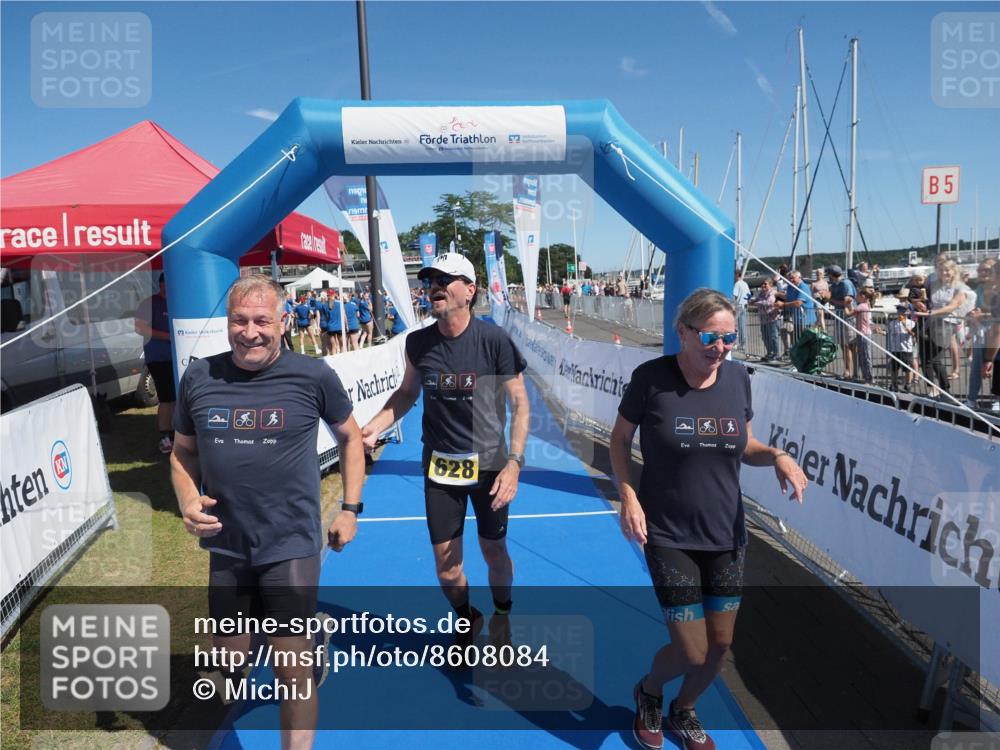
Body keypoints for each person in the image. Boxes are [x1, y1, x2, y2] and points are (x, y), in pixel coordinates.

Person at [170, 275, 365, 750]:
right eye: (240, 320)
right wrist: (188, 500)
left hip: (290, 542)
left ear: (283, 321)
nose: (250, 332)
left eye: (262, 320)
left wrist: (349, 508)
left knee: (290, 671)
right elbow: (182, 452)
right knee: (231, 665)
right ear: (227, 323)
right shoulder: (199, 376)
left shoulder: (312, 375)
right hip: (228, 545)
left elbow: (351, 438)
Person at [610, 288, 807, 750]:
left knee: (720, 646)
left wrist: (777, 455)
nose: (720, 348)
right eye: (710, 337)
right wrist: (628, 496)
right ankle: (650, 691)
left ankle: (684, 709)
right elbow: (619, 440)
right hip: (668, 533)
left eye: (729, 338)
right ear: (683, 332)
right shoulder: (650, 378)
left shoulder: (737, 378)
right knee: (692, 650)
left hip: (725, 533)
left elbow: (746, 445)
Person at [361, 253, 530, 650]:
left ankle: (502, 614)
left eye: (444, 279)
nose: (434, 287)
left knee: (494, 550)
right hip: (440, 468)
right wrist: (375, 425)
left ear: (469, 290)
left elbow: (521, 404)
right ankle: (467, 616)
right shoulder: (418, 343)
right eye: (430, 280)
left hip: (490, 467)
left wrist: (514, 463)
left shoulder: (493, 341)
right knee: (447, 570)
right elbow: (407, 393)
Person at [134, 272, 176, 454]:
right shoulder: (149, 303)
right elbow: (140, 328)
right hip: (158, 358)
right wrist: (169, 336)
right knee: (166, 398)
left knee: (177, 397)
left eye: (170, 287)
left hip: (179, 358)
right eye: (164, 286)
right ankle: (164, 436)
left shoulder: (178, 301)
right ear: (159, 285)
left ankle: (175, 433)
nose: (167, 290)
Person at [965, 260, 997, 408]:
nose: (982, 273)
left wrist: (982, 314)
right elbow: (973, 309)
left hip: (996, 332)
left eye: (986, 270)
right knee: (976, 367)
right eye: (980, 270)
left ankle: (997, 399)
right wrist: (971, 313)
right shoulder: (978, 289)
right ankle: (971, 399)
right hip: (981, 332)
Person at [827, 265, 857, 379]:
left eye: (829, 274)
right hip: (839, 317)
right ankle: (848, 371)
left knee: (850, 345)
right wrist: (827, 298)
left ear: (831, 275)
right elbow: (834, 302)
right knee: (843, 345)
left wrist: (831, 300)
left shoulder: (845, 283)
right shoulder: (834, 285)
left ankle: (853, 372)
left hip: (848, 319)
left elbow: (847, 302)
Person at [886, 296, 917, 392]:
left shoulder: (911, 323)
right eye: (899, 310)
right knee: (894, 368)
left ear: (907, 312)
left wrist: (905, 326)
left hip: (906, 349)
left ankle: (908, 384)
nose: (900, 312)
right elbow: (888, 333)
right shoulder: (892, 323)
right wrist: (880, 332)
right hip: (895, 349)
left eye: (902, 310)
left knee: (907, 368)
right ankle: (894, 384)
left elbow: (913, 334)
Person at [846, 287, 876, 384]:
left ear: (863, 296)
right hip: (862, 333)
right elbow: (854, 313)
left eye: (858, 295)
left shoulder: (862, 306)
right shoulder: (865, 305)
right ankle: (866, 377)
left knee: (866, 356)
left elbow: (848, 314)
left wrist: (845, 304)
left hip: (864, 334)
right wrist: (849, 305)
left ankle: (869, 378)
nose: (857, 297)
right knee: (863, 356)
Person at [752, 278, 781, 362]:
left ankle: (776, 354)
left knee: (773, 337)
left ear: (770, 285)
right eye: (763, 284)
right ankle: (769, 353)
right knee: (765, 337)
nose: (763, 285)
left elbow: (770, 302)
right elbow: (756, 298)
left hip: (772, 318)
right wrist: (751, 300)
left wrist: (757, 303)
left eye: (765, 284)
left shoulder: (773, 292)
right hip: (763, 319)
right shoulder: (761, 293)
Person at [732, 270, 751, 351]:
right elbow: (749, 295)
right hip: (744, 306)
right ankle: (743, 345)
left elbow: (734, 296)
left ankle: (735, 343)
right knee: (742, 326)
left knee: (734, 325)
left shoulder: (737, 284)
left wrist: (732, 305)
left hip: (738, 306)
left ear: (737, 275)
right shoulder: (745, 283)